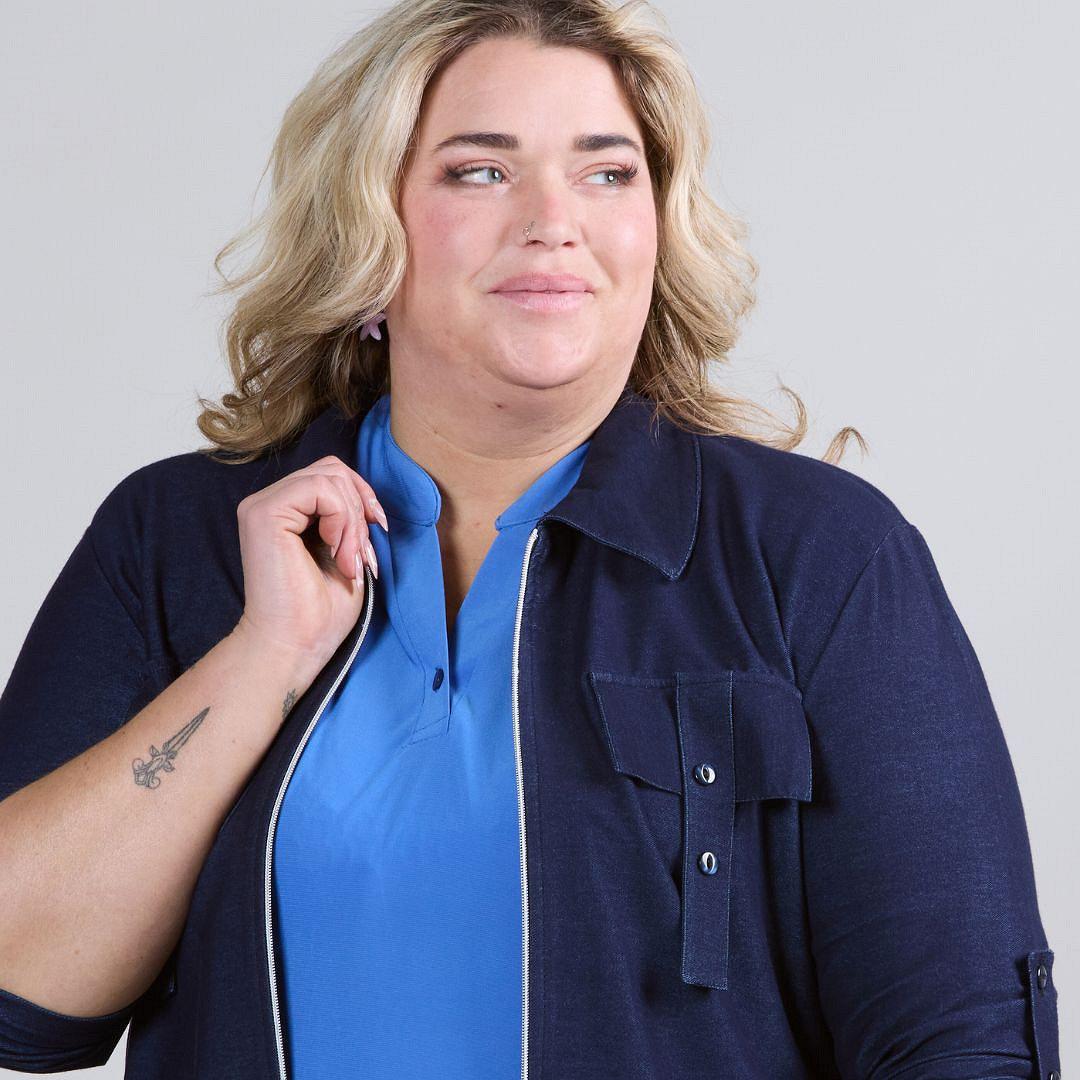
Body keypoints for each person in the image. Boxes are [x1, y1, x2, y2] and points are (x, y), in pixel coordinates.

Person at [0, 0, 1060, 1076]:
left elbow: (964, 1041)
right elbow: (20, 987)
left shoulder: (817, 556)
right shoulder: (176, 543)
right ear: (365, 224)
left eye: (607, 173)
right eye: (481, 171)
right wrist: (261, 660)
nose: (555, 220)